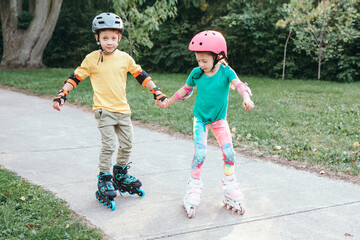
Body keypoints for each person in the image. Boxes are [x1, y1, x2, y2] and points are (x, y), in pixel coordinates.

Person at [52, 12, 167, 211]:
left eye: (113, 38)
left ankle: (120, 174)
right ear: (97, 38)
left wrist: (156, 91)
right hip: (103, 110)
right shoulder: (92, 59)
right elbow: (75, 77)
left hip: (123, 110)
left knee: (128, 143)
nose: (110, 42)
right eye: (105, 38)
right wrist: (63, 94)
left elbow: (141, 75)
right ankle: (105, 177)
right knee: (109, 145)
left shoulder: (124, 58)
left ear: (119, 38)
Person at [156, 30, 254, 218]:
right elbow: (184, 91)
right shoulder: (197, 74)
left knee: (229, 153)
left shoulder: (226, 72)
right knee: (201, 153)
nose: (200, 64)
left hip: (219, 120)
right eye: (198, 60)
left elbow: (240, 85)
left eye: (204, 61)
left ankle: (230, 186)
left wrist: (246, 98)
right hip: (200, 120)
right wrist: (168, 102)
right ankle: (193, 187)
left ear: (218, 57)